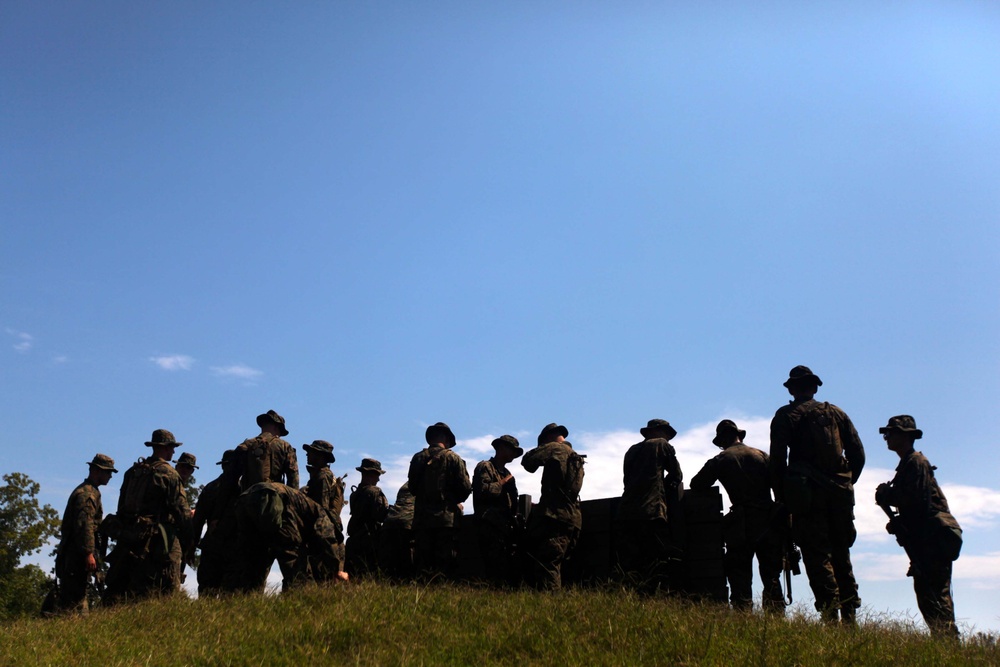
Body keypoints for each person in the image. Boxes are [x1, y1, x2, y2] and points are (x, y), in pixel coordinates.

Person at [769, 366, 865, 626]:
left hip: (806, 497)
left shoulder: (786, 415)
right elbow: (858, 454)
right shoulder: (837, 413)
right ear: (814, 387)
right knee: (842, 555)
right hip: (840, 496)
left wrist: (783, 499)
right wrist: (843, 484)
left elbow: (777, 462)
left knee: (816, 555)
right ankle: (850, 618)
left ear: (791, 389)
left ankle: (829, 616)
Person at [875, 415, 962, 638]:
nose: (886, 438)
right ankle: (944, 641)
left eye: (891, 433)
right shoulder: (908, 464)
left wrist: (889, 494)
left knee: (934, 593)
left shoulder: (916, 463)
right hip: (926, 538)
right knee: (927, 593)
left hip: (932, 538)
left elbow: (916, 500)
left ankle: (948, 642)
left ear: (905, 436)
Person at [691, 420, 784, 613]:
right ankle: (775, 618)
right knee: (771, 575)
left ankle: (743, 617)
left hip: (741, 525)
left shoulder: (721, 459)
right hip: (768, 521)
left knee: (739, 575)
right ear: (739, 435)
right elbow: (780, 488)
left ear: (723, 439)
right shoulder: (762, 455)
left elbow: (697, 484)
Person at [104, 429, 191, 603]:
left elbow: (121, 506)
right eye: (171, 447)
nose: (173, 452)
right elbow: (181, 511)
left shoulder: (132, 472)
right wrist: (189, 540)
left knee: (129, 587)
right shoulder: (169, 474)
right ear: (164, 448)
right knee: (168, 585)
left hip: (131, 537)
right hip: (160, 539)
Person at [615, 418, 682, 594]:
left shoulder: (631, 450)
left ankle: (631, 594)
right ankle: (655, 596)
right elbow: (676, 475)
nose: (668, 437)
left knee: (631, 561)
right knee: (656, 559)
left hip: (626, 513)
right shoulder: (660, 444)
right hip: (652, 512)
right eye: (667, 433)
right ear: (659, 431)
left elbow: (626, 480)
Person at [235, 481, 341, 592]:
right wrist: (336, 571)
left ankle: (245, 598)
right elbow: (327, 538)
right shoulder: (321, 513)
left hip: (244, 499)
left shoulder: (303, 506)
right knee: (295, 565)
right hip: (273, 499)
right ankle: (300, 600)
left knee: (254, 560)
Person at [521, 423, 586, 590]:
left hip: (553, 515)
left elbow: (528, 462)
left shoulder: (554, 448)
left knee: (547, 563)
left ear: (548, 438)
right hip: (573, 517)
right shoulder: (575, 456)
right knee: (558, 561)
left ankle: (550, 603)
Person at [407, 422, 472, 580]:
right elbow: (465, 488)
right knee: (443, 563)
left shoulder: (417, 458)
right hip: (445, 519)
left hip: (421, 519)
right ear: (446, 439)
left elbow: (412, 488)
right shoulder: (453, 458)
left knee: (423, 562)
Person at [53, 454, 117, 613]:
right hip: (76, 555)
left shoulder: (90, 491)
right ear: (97, 471)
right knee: (74, 600)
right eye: (107, 472)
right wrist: (88, 553)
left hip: (75, 553)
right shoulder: (87, 494)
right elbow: (85, 525)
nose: (110, 476)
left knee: (76, 597)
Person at [473, 435, 524, 587]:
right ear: (501, 448)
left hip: (504, 527)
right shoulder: (485, 466)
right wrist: (503, 483)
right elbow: (483, 491)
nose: (513, 455)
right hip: (489, 525)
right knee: (492, 567)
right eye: (511, 450)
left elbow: (512, 502)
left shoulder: (506, 473)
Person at [193, 449, 241, 595]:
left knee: (208, 591)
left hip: (213, 545)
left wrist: (192, 545)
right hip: (234, 547)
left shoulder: (210, 488)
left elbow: (198, 521)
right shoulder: (244, 488)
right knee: (231, 594)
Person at [301, 439, 346, 581]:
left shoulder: (322, 476)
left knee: (324, 574)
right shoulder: (323, 475)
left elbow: (322, 507)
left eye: (311, 452)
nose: (307, 454)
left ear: (320, 455)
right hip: (326, 529)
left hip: (323, 530)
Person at [345, 458, 389, 578]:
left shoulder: (354, 494)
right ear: (371, 474)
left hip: (354, 541)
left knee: (353, 577)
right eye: (377, 475)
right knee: (370, 576)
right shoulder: (375, 492)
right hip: (369, 542)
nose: (378, 479)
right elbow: (382, 515)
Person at [236, 410, 299, 491]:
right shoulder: (284, 446)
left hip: (247, 498)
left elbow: (231, 476)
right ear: (276, 427)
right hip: (275, 498)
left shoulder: (245, 445)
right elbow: (293, 479)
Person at [378, 482, 416, 581]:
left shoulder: (405, 486)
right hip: (407, 522)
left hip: (390, 521)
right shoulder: (425, 482)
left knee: (390, 566)